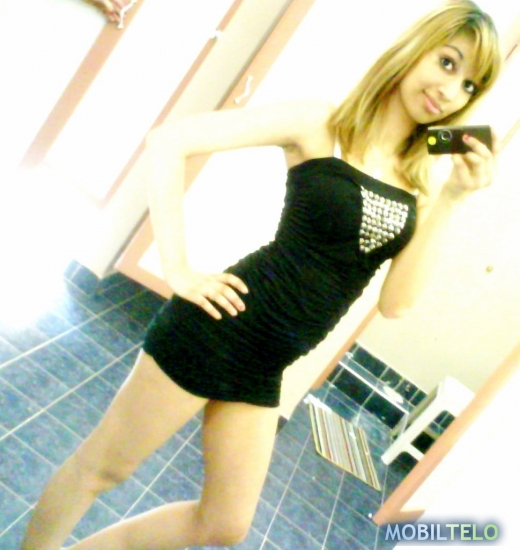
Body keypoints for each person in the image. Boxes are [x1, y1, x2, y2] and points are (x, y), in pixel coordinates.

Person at [22, 1, 502, 549]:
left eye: (470, 85)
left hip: (267, 363)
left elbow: (396, 303)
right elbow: (169, 141)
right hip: (219, 328)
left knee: (224, 524)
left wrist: (454, 198)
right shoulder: (321, 123)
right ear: (415, 50)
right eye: (447, 62)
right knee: (102, 469)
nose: (451, 90)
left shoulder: (421, 182)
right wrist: (178, 268)